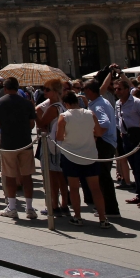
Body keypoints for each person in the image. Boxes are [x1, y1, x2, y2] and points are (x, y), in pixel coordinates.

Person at [57, 91, 111, 228]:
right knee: (96, 188)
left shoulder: (63, 117)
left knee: (74, 188)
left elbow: (59, 137)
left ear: (66, 104)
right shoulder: (90, 114)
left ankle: (78, 217)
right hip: (90, 154)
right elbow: (98, 132)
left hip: (70, 155)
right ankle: (103, 218)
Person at [0, 77, 38, 220]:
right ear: (17, 88)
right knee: (27, 175)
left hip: (8, 143)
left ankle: (12, 207)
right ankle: (29, 208)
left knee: (9, 175)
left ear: (5, 88)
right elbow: (31, 124)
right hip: (25, 142)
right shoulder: (27, 103)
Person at [83, 79, 120, 217]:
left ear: (89, 91)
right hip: (108, 142)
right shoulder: (102, 102)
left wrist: (95, 133)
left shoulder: (98, 105)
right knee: (103, 176)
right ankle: (106, 206)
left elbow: (104, 123)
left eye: (85, 90)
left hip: (103, 143)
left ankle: (110, 209)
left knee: (103, 177)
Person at [113, 71, 140, 208]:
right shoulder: (117, 103)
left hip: (138, 137)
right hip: (126, 138)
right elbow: (118, 119)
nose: (117, 91)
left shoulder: (137, 103)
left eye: (120, 89)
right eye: (116, 89)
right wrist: (121, 131)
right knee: (134, 168)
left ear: (127, 89)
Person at [35, 78, 69, 215]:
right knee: (61, 177)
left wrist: (35, 112)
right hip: (60, 144)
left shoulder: (53, 108)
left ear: (55, 91)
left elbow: (41, 123)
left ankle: (53, 205)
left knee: (50, 176)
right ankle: (64, 204)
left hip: (51, 145)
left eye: (47, 89)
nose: (44, 92)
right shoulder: (62, 105)